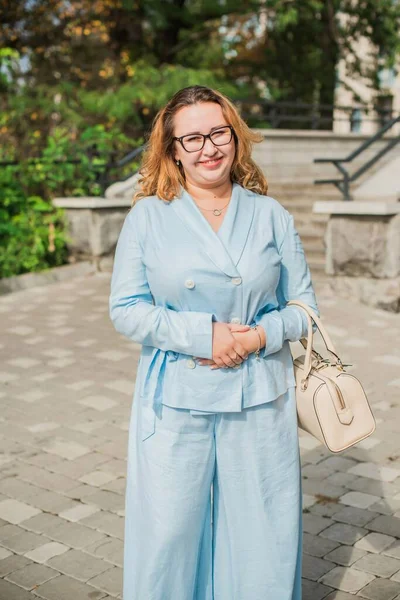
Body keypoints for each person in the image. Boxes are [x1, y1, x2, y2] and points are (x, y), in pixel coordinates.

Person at [109, 85, 319, 600]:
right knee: (169, 533)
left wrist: (262, 335)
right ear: (173, 149)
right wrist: (204, 334)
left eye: (218, 132)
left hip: (260, 393)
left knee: (263, 533)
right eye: (193, 137)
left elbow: (306, 310)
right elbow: (126, 310)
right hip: (178, 395)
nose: (209, 147)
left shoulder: (272, 216)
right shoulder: (148, 217)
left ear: (235, 136)